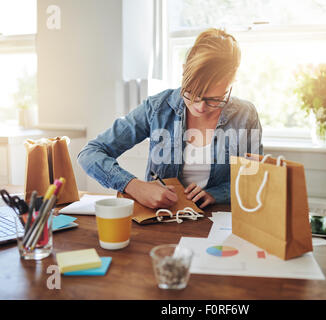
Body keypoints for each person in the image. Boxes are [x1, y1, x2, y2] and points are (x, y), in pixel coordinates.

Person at [78, 28, 263, 210]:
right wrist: (134, 186)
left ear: (232, 83)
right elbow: (90, 153)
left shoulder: (246, 115)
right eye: (192, 93)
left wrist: (218, 194)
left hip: (217, 223)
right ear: (183, 72)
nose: (200, 107)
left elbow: (254, 179)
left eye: (214, 99)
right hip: (161, 222)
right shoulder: (157, 108)